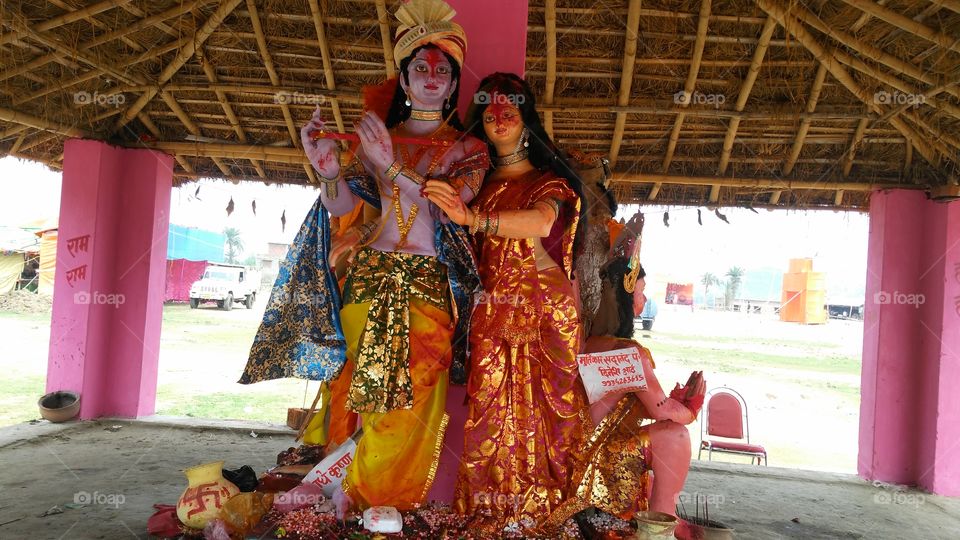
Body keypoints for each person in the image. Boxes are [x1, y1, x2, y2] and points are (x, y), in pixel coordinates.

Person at [239, 0, 488, 514]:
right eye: (421, 68)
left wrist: (390, 166)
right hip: (369, 277)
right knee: (354, 390)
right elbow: (341, 206)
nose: (432, 77)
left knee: (409, 401)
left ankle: (376, 503)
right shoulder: (377, 140)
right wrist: (328, 171)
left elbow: (450, 207)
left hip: (426, 284)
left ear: (454, 84)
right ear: (405, 79)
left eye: (443, 70)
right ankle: (335, 502)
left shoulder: (470, 149)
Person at [425, 72, 590, 531]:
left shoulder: (547, 181)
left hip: (546, 309)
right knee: (490, 409)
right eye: (489, 114)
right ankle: (491, 510)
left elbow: (540, 223)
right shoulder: (473, 184)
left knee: (551, 409)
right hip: (492, 307)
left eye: (508, 111)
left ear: (525, 120)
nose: (498, 119)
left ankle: (550, 512)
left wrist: (472, 218)